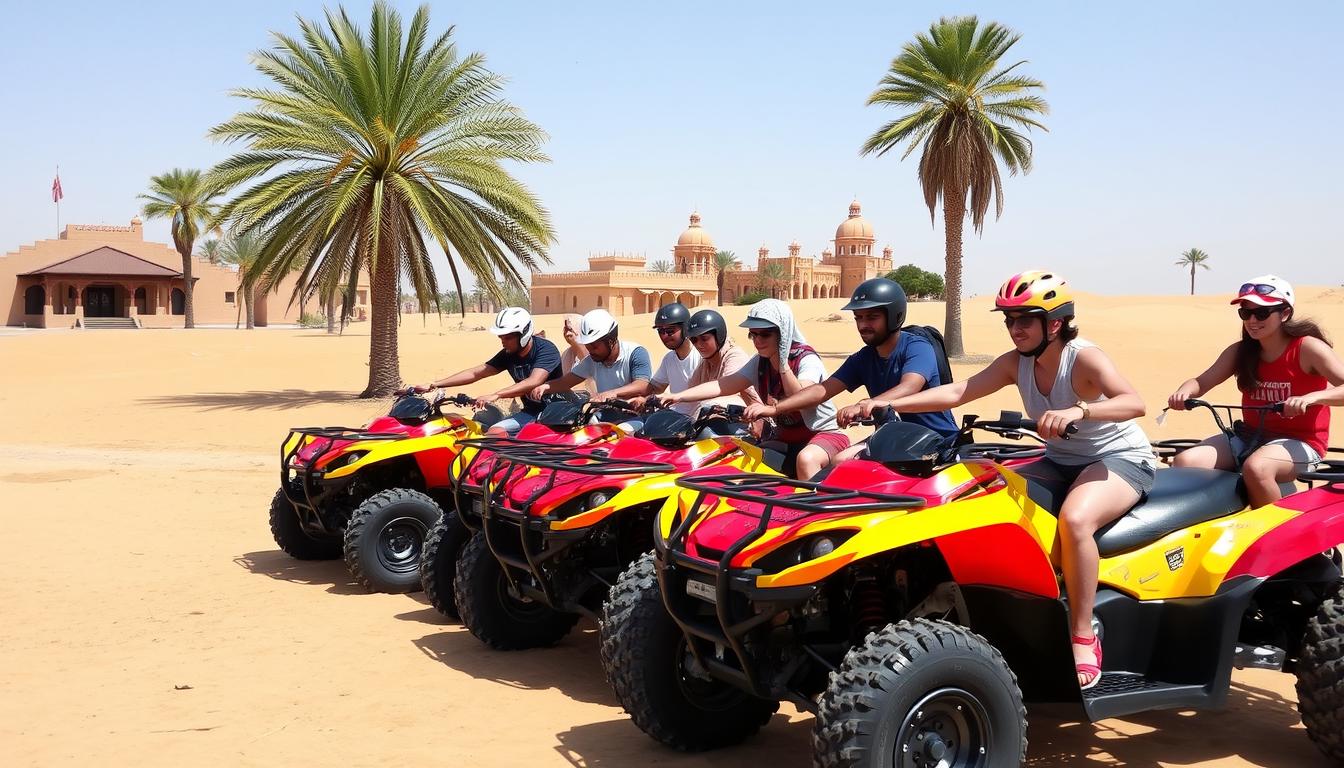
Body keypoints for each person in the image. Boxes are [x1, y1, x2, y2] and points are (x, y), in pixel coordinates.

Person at [865, 270, 1154, 690]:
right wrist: (886, 404)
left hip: (1118, 459)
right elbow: (958, 392)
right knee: (983, 497)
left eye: (1024, 320)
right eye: (1009, 320)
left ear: (1054, 323)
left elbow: (1135, 402)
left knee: (1075, 520)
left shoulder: (1084, 357)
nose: (1014, 329)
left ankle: (1082, 633)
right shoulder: (1016, 363)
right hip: (1059, 459)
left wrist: (1080, 411)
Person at [1166, 275, 1344, 506]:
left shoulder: (1308, 348)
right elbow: (1201, 381)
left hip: (1302, 443)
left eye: (1261, 313)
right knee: (1185, 462)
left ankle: (1274, 536)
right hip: (1249, 436)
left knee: (1257, 467)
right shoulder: (1241, 352)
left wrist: (1312, 398)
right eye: (1245, 313)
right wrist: (1184, 392)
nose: (1252, 320)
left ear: (1285, 313)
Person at [745, 278, 957, 460]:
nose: (863, 325)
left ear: (894, 316)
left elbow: (910, 385)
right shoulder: (864, 358)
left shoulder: (917, 346)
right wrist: (775, 409)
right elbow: (822, 390)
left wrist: (868, 403)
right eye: (859, 318)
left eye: (872, 317)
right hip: (895, 438)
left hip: (938, 439)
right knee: (841, 463)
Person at [662, 299, 849, 478]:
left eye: (765, 334)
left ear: (782, 333)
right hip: (786, 439)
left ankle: (813, 509)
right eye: (754, 334)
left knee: (806, 460)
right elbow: (724, 384)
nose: (757, 341)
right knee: (743, 457)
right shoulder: (760, 362)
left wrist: (782, 364)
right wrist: (679, 396)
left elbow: (802, 397)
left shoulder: (805, 359)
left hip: (823, 435)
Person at [410, 307, 561, 436]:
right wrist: (435, 384)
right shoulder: (508, 354)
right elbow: (478, 372)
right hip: (530, 412)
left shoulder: (546, 350)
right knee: (491, 432)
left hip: (556, 414)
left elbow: (534, 381)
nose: (503, 341)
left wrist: (496, 395)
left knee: (496, 434)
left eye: (507, 337)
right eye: (501, 337)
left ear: (524, 333)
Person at [531, 308, 652, 431]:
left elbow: (642, 385)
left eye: (594, 346)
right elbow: (566, 382)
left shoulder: (635, 353)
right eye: (588, 346)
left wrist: (611, 393)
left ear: (611, 341)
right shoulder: (592, 360)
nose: (590, 350)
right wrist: (545, 387)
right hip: (606, 415)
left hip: (635, 416)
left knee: (624, 431)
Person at [604, 303, 701, 416]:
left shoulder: (700, 357)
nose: (664, 336)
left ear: (685, 328)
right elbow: (654, 388)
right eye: (660, 331)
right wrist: (637, 398)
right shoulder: (669, 359)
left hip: (696, 422)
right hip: (675, 419)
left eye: (670, 331)